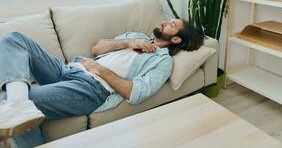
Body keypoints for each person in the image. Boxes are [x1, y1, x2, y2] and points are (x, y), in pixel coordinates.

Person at [0, 18, 204, 147]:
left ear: (176, 39)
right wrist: (129, 43)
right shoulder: (136, 36)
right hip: (69, 69)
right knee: (14, 38)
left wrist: (99, 70)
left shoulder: (163, 61)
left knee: (19, 98)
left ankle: (17, 104)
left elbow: (136, 93)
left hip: (91, 88)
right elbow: (97, 48)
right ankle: (18, 106)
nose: (165, 22)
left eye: (172, 25)